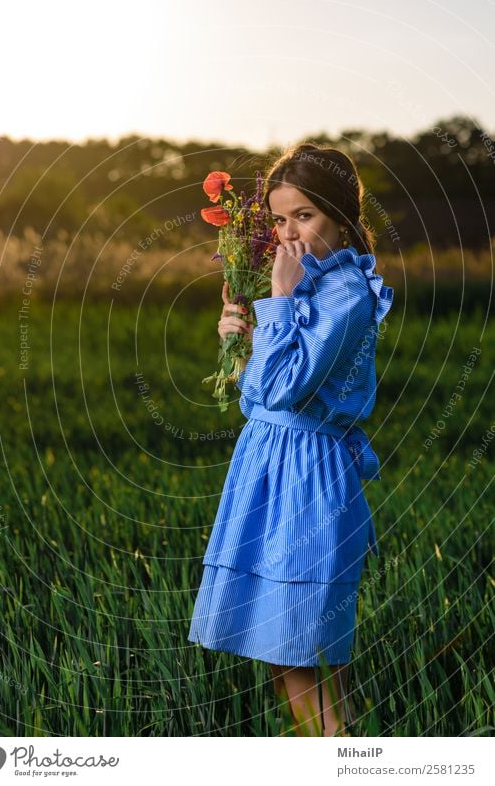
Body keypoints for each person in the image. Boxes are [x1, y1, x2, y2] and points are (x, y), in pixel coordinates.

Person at [188, 141, 394, 737]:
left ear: (340, 216)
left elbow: (283, 390)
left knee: (304, 651)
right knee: (281, 653)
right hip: (266, 462)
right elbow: (257, 397)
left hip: (307, 474)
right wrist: (246, 334)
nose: (287, 235)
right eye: (279, 220)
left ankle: (344, 759)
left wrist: (278, 302)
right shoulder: (306, 281)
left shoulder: (347, 294)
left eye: (303, 216)